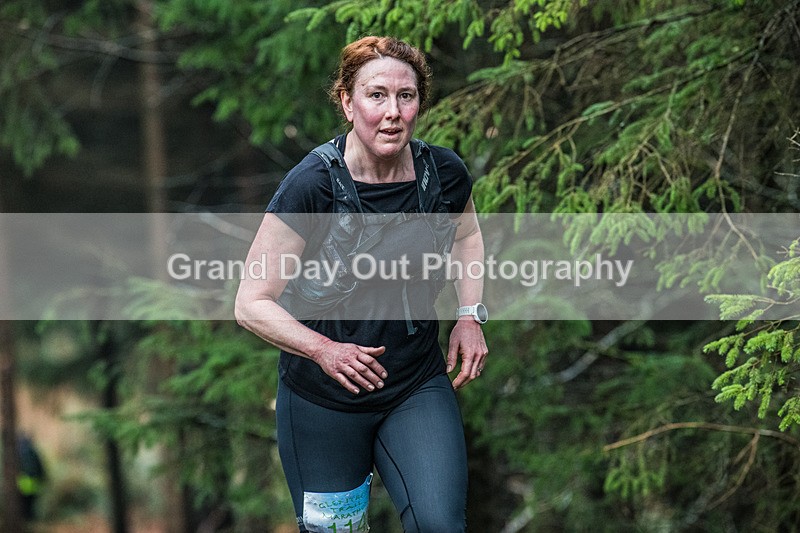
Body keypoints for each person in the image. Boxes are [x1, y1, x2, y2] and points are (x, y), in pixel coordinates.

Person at [235, 35, 487, 533]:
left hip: (415, 384)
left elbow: (469, 236)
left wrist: (469, 314)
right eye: (377, 95)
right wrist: (324, 350)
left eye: (406, 96)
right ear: (348, 103)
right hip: (323, 400)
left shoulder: (444, 174)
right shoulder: (312, 186)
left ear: (419, 103)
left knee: (440, 524)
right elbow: (251, 302)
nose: (393, 112)